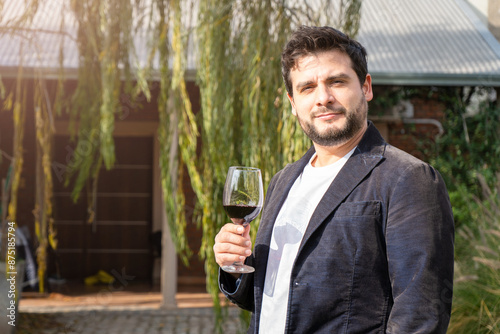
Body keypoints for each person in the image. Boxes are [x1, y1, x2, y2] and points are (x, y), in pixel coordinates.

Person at [213, 25, 454, 333]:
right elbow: (274, 296)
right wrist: (235, 267)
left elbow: (420, 315)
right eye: (307, 87)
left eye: (337, 81)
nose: (323, 98)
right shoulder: (282, 181)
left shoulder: (408, 179)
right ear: (292, 102)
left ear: (365, 87)